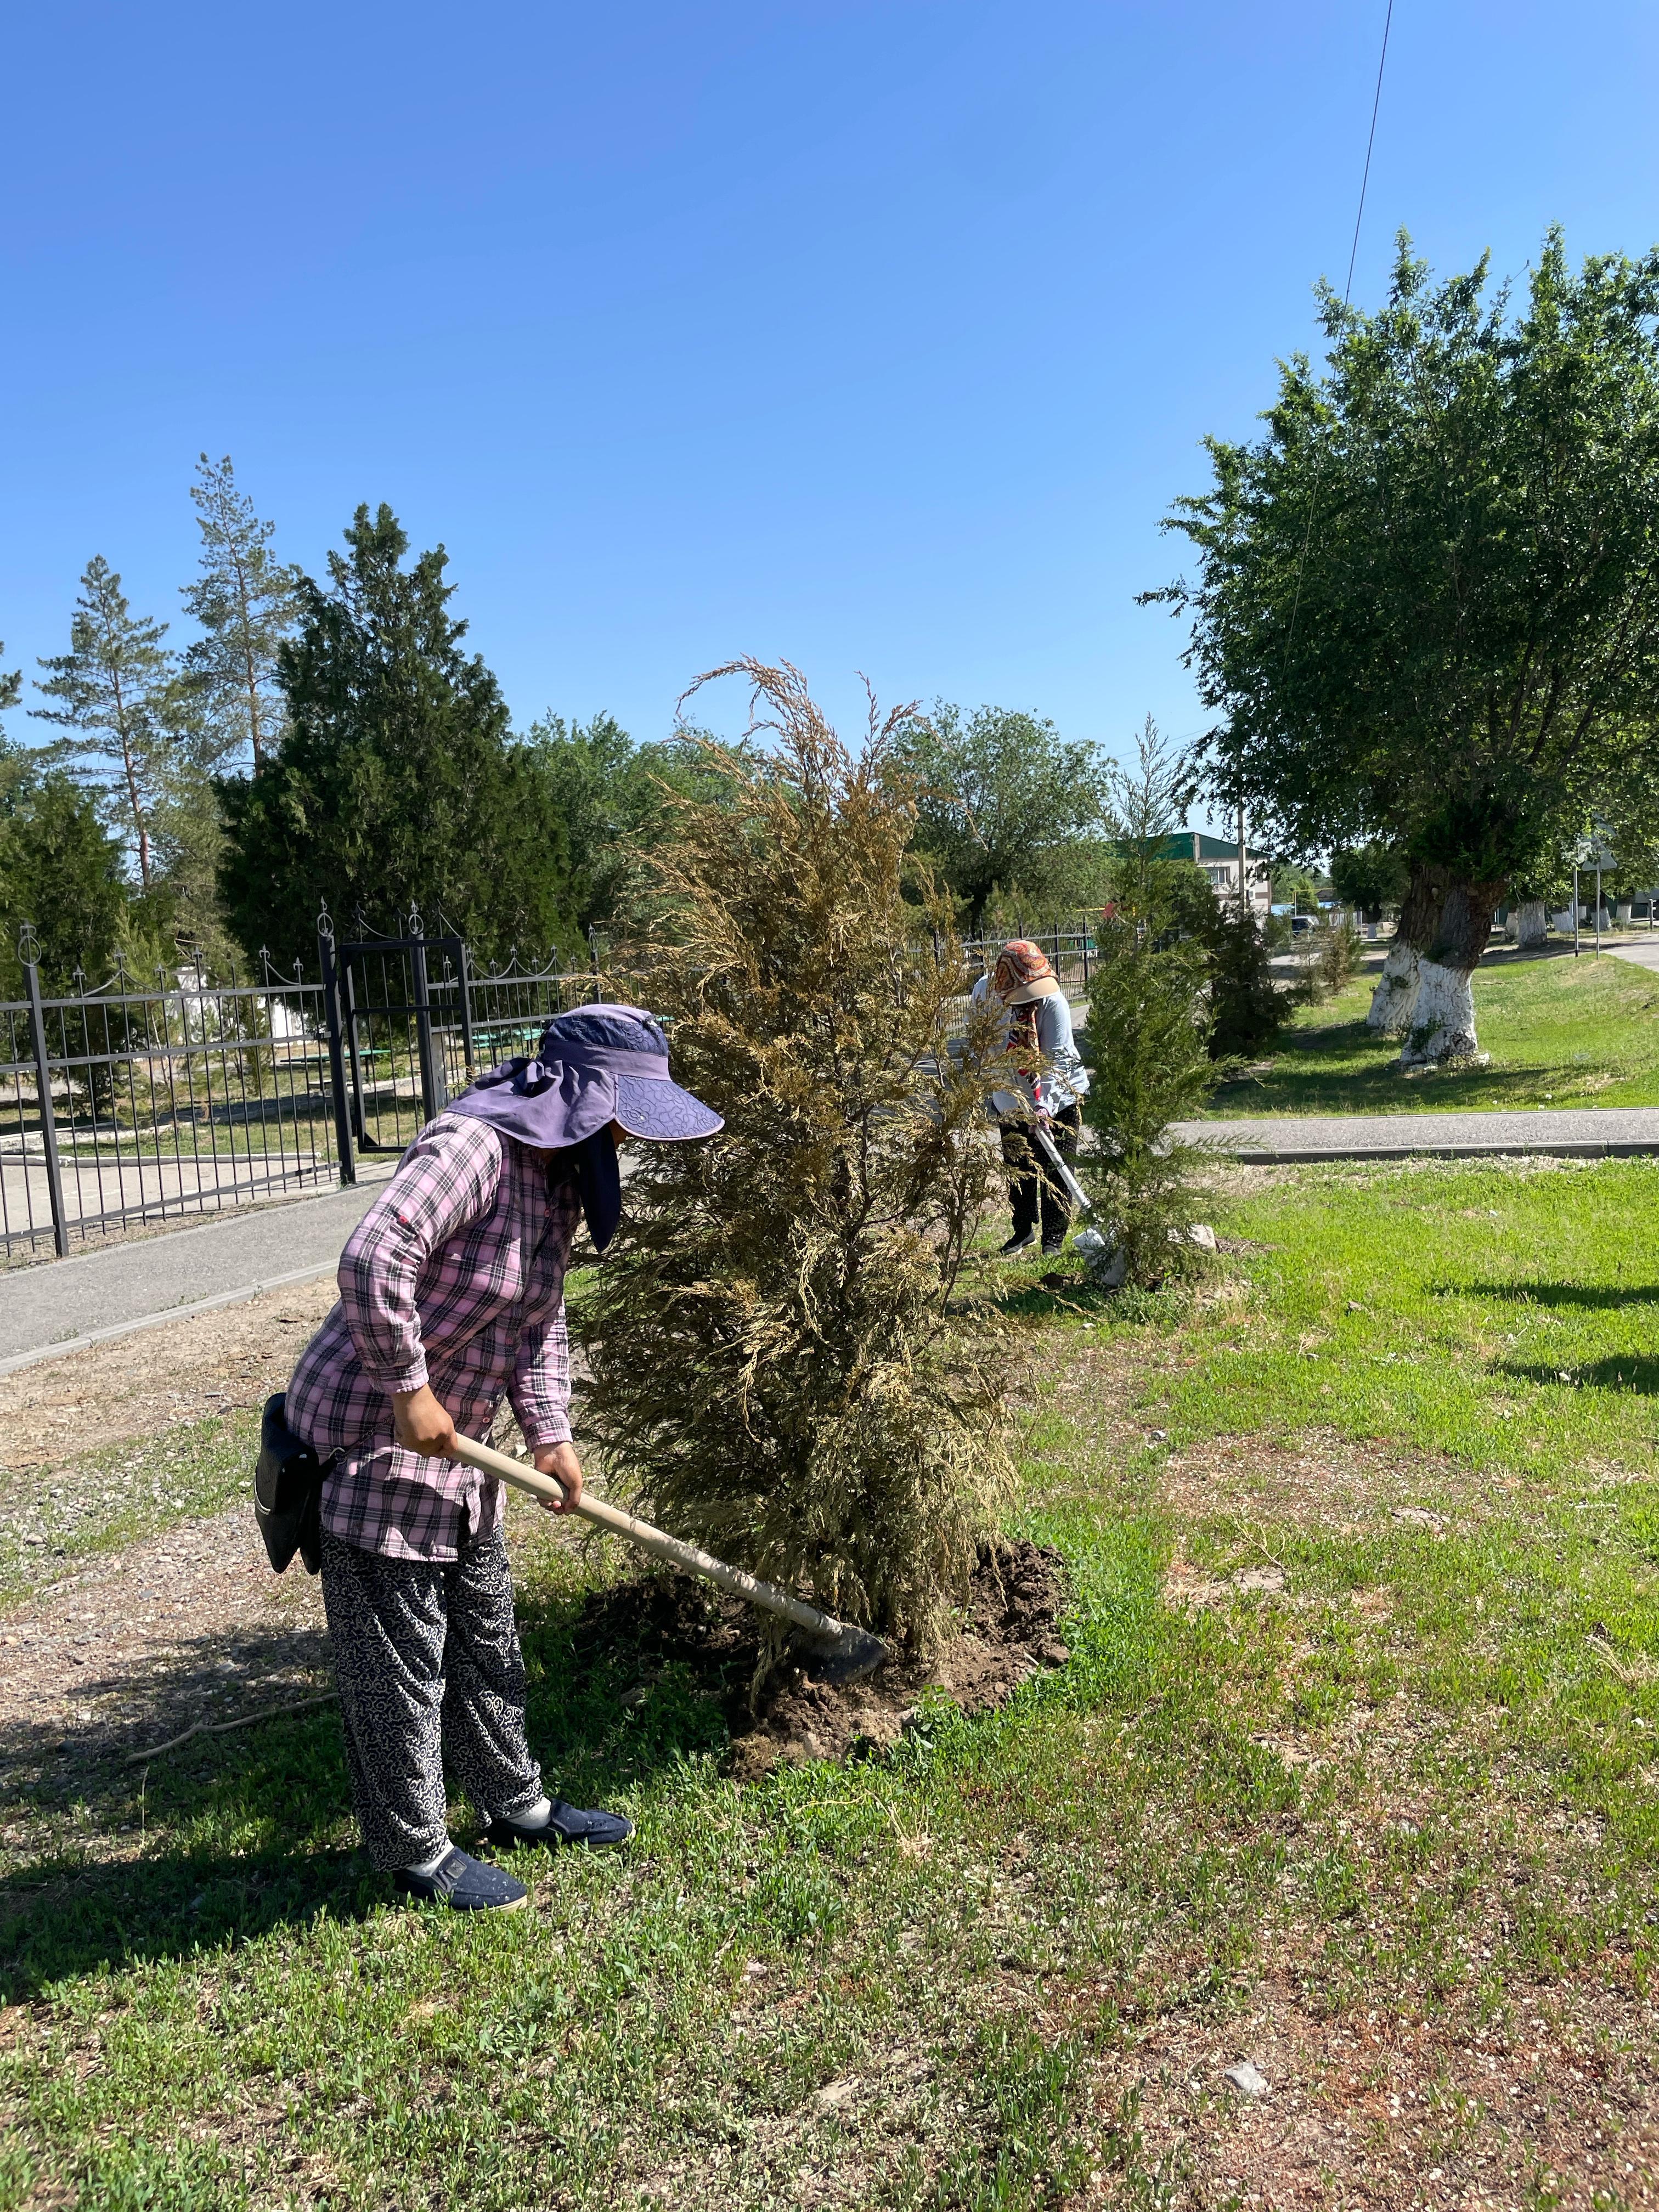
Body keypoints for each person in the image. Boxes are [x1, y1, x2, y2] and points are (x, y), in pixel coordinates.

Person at [284, 1003, 722, 1913]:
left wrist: (551, 1433)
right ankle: (415, 1853)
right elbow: (374, 1257)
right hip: (372, 1432)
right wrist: (407, 1388)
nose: (626, 1136)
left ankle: (515, 1804)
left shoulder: (559, 1175)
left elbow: (540, 1317)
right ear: (583, 1093)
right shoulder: (475, 1147)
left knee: (486, 1635)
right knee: (400, 1658)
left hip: (461, 1443)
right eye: (623, 1112)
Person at [973, 940, 1089, 1259]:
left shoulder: (1053, 1000)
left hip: (1059, 1094)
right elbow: (981, 1043)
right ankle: (1023, 1231)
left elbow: (1057, 1059)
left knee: (1057, 1167)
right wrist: (990, 1084)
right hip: (1009, 1094)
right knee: (1018, 1167)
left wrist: (1044, 1105)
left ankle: (1053, 1240)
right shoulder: (984, 993)